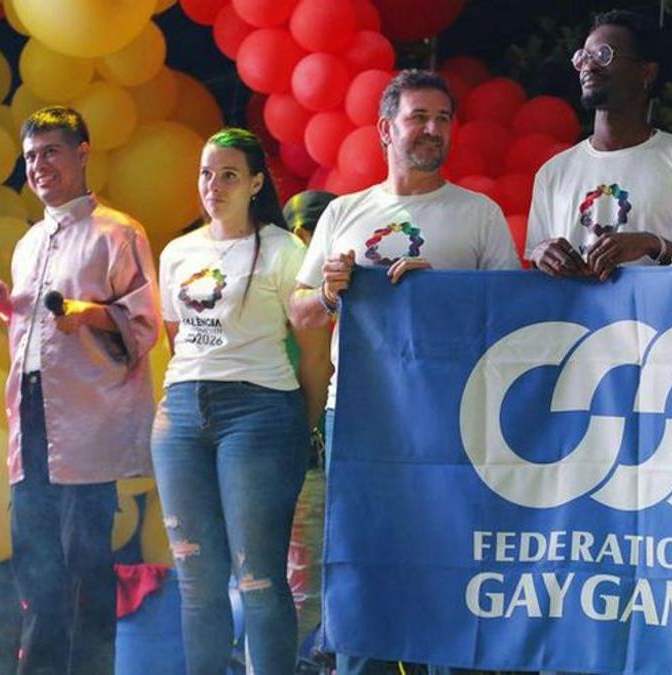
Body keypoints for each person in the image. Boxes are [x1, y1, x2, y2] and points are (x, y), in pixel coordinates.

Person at [290, 69, 520, 675]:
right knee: (362, 561)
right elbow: (299, 310)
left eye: (443, 119)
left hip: (453, 414)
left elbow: (511, 320)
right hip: (362, 412)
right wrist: (335, 294)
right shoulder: (345, 211)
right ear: (385, 129)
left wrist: (438, 294)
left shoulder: (478, 214)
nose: (433, 129)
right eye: (419, 117)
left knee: (454, 559)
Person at [0, 105, 159, 674]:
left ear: (83, 153)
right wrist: (6, 308)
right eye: (30, 156)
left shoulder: (119, 231)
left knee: (84, 567)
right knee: (35, 564)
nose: (39, 166)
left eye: (51, 151)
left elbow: (145, 324)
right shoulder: (29, 242)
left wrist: (92, 314)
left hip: (87, 424)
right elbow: (38, 338)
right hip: (32, 418)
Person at [151, 128, 328, 673]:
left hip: (260, 414)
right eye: (206, 173)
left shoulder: (283, 249)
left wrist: (302, 423)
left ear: (255, 182)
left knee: (258, 577)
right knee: (197, 581)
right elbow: (177, 336)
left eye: (229, 174)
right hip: (180, 416)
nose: (213, 185)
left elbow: (315, 353)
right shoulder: (179, 251)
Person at [527, 9, 672, 280]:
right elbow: (534, 284)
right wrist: (539, 255)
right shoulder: (552, 173)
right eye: (583, 57)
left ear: (646, 72)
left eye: (604, 55)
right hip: (576, 323)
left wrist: (654, 245)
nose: (588, 67)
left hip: (659, 323)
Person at [282, 190, 339, 664]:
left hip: (368, 464)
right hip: (306, 465)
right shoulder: (281, 311)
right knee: (302, 594)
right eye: (302, 236)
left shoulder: (369, 298)